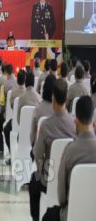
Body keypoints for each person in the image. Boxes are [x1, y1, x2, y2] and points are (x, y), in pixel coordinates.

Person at [29, 78, 76, 221]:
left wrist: (45, 171)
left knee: (33, 182)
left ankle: (36, 218)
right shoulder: (74, 125)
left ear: (53, 98)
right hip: (70, 180)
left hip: (48, 177)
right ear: (67, 99)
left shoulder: (45, 126)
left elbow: (37, 156)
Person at [43, 96, 96, 221]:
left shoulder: (69, 151)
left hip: (71, 215)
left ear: (75, 120)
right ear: (94, 121)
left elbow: (61, 198)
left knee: (48, 216)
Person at [3, 69, 26, 154]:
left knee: (6, 130)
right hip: (29, 124)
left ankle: (11, 152)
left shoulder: (13, 92)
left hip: (16, 122)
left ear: (17, 79)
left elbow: (13, 107)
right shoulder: (31, 94)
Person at [0, 64, 17, 152]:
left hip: (7, 115)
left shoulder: (5, 84)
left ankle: (1, 143)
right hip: (16, 115)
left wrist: (1, 110)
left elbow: (2, 103)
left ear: (7, 73)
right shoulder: (17, 82)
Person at [30, 75, 56, 146]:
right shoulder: (59, 111)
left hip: (40, 151)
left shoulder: (38, 109)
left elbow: (32, 137)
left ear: (44, 89)